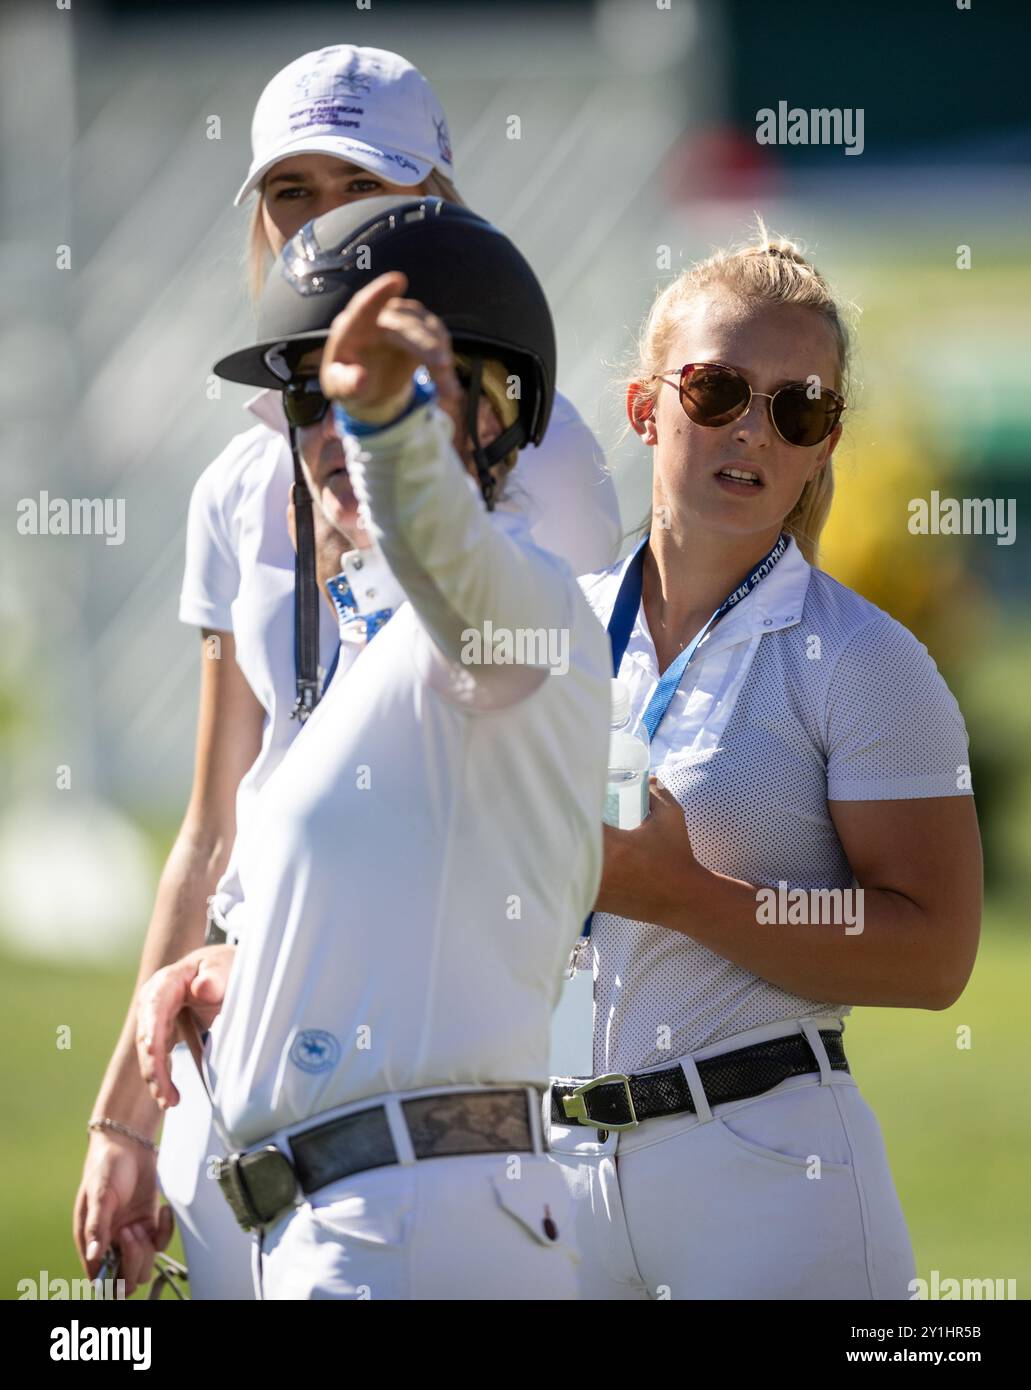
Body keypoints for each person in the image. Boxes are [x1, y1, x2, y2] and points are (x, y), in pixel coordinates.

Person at [74, 44, 619, 1300]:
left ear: (437, 198)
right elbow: (218, 823)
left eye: (359, 188)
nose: (323, 224)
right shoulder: (244, 473)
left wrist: (391, 439)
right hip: (254, 1014)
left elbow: (504, 671)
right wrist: (126, 1118)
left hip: (446, 1057)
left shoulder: (537, 456)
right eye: (290, 193)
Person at [546, 225, 982, 1301]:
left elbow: (934, 961)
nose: (754, 431)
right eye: (717, 391)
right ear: (646, 406)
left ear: (824, 441)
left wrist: (681, 895)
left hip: (765, 1172)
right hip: (546, 1174)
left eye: (798, 409)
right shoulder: (552, 632)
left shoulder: (866, 661)